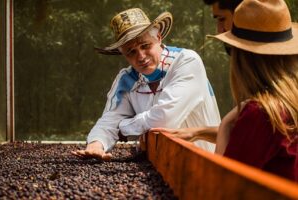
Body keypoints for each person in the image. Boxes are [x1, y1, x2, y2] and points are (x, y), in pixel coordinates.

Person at [156, 0, 298, 181]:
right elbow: (255, 140)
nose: (219, 29)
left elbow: (219, 186)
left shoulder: (260, 113)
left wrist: (224, 126)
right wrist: (198, 132)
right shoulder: (288, 100)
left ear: (243, 58)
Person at [72, 8, 221, 160]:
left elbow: (164, 119)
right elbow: (110, 119)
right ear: (123, 54)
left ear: (159, 37)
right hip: (160, 167)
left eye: (145, 46)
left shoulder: (186, 61)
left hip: (208, 164)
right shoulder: (126, 79)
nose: (141, 57)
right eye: (131, 52)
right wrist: (96, 145)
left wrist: (123, 127)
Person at [150, 0, 243, 143]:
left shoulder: (187, 60)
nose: (219, 30)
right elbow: (241, 131)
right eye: (130, 51)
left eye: (222, 19)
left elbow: (247, 135)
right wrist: (196, 132)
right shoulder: (242, 69)